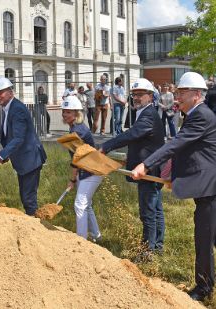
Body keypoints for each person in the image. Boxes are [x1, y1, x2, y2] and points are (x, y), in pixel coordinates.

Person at [131, 72, 216, 302]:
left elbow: (176, 144)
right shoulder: (192, 115)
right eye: (177, 92)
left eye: (181, 93)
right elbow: (186, 151)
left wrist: (146, 164)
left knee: (204, 236)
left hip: (214, 186)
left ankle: (203, 289)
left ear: (197, 95)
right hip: (210, 184)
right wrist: (172, 174)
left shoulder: (200, 115)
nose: (177, 97)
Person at [100, 78, 165, 260]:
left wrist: (106, 147)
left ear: (150, 96)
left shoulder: (148, 114)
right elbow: (142, 141)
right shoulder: (143, 112)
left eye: (140, 94)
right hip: (149, 166)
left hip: (149, 170)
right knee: (156, 208)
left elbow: (132, 134)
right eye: (134, 94)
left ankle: (147, 252)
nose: (136, 98)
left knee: (148, 212)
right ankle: (157, 246)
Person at [0, 76, 47, 216]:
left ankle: (35, 228)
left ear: (11, 92)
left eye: (1, 92)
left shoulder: (17, 109)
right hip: (24, 160)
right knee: (25, 196)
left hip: (30, 159)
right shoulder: (8, 108)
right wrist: (7, 154)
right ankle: (33, 223)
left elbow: (18, 138)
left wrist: (1, 155)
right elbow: (9, 136)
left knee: (28, 199)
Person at [61, 96, 103, 241]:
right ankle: (96, 235)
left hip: (92, 171)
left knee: (80, 205)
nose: (65, 115)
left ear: (77, 114)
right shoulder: (75, 128)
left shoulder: (78, 132)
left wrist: (72, 179)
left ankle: (81, 240)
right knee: (86, 205)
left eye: (69, 112)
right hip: (86, 170)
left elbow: (76, 160)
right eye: (64, 112)